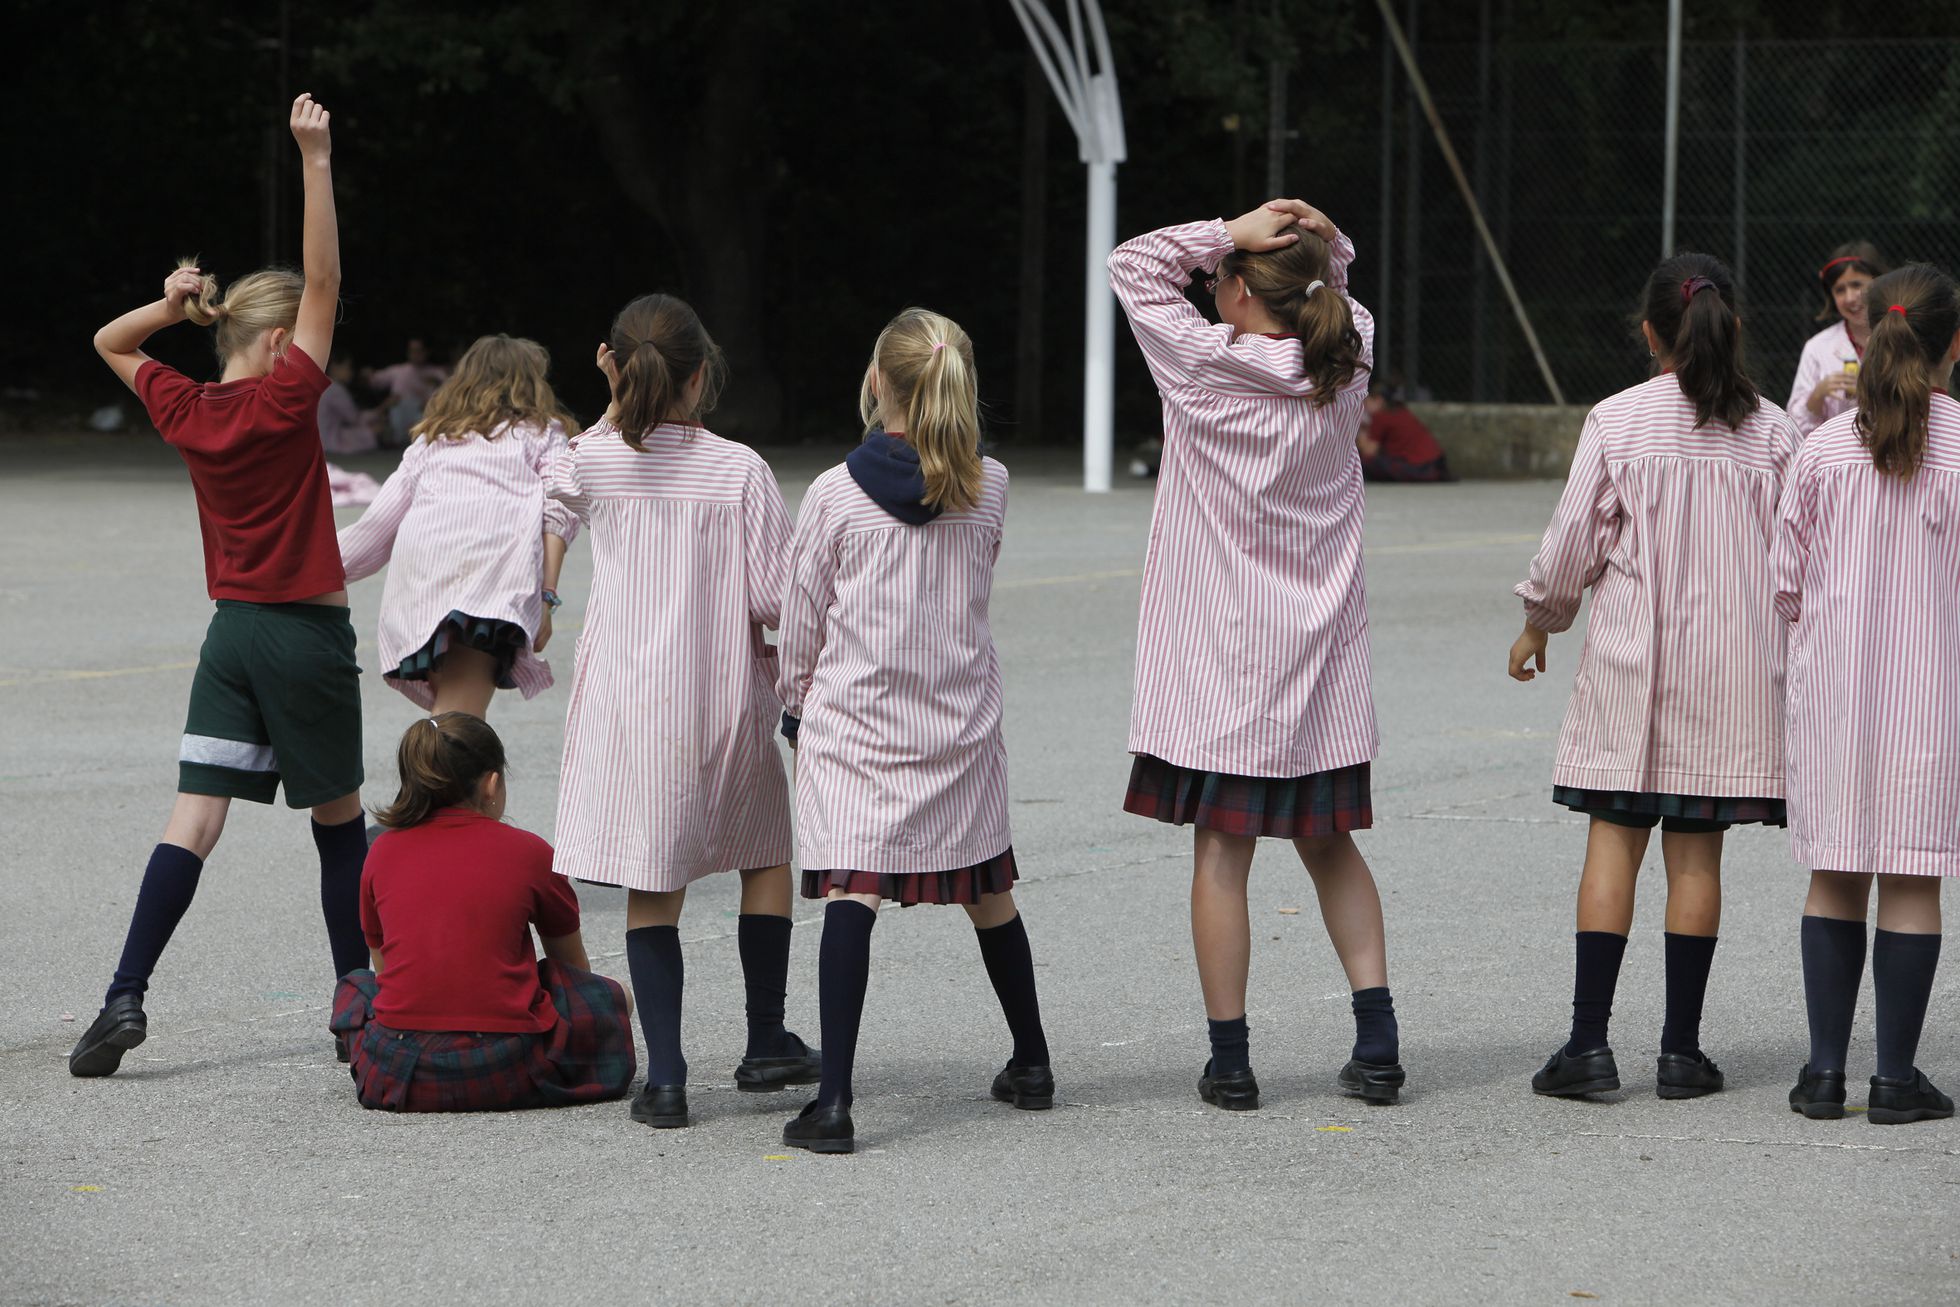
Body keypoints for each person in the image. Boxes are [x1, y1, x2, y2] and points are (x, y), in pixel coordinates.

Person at [67, 95, 369, 1077]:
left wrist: (169, 303)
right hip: (305, 638)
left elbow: (115, 342)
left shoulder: (189, 406)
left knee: (193, 818)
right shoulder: (286, 399)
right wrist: (314, 160)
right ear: (285, 341)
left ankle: (124, 994)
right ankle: (354, 1001)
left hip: (229, 637)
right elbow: (323, 276)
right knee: (338, 822)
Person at [1109, 198, 1405, 1112]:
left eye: (1220, 281)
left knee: (1221, 857)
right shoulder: (1344, 359)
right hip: (1317, 665)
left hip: (1220, 668)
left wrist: (1224, 230)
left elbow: (1131, 265)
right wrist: (1321, 236)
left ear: (1238, 289)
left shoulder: (1204, 365)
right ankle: (1378, 1040)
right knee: (1332, 846)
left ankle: (1231, 1059)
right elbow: (1341, 286)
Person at [1510, 253, 1799, 1102]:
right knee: (1697, 863)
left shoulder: (1617, 421)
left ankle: (1588, 1046)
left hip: (1634, 670)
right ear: (1733, 326)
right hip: (1734, 679)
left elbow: (1572, 547)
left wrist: (1539, 622)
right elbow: (1796, 562)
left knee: (1612, 846)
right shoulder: (1776, 433)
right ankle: (1681, 1051)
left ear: (1648, 334)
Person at [775, 309, 1054, 1156]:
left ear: (876, 381)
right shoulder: (990, 485)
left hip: (861, 725)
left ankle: (834, 1103)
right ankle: (1033, 1060)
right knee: (988, 892)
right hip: (958, 723)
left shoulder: (832, 494)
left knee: (850, 895)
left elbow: (803, 619)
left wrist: (796, 704)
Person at [547, 293, 817, 1130]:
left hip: (630, 698)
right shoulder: (738, 469)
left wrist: (609, 399)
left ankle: (665, 1077)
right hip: (721, 691)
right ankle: (766, 1033)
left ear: (618, 370)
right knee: (764, 850)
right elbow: (776, 595)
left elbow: (557, 479)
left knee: (651, 882)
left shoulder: (592, 459)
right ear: (702, 375)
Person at [1775, 265, 1960, 1126]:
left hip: (1835, 692)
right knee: (1913, 876)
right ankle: (1893, 1077)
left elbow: (1787, 583)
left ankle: (1820, 1073)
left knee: (1835, 872)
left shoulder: (1821, 450)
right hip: (1931, 693)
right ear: (1954, 346)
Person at [332, 714, 635, 1112]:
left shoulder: (381, 853)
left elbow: (386, 972)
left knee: (356, 987)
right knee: (616, 996)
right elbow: (574, 972)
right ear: (491, 783)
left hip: (398, 1071)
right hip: (511, 1065)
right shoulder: (530, 852)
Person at [336, 334, 579, 717]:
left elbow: (374, 529)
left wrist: (294, 571)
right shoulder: (543, 433)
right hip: (485, 582)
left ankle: (453, 775)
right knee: (457, 723)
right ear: (531, 383)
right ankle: (430, 778)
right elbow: (559, 509)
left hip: (421, 584)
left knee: (450, 715)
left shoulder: (431, 440)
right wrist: (546, 597)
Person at [1787, 241, 1890, 442]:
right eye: (1839, 290)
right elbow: (1794, 428)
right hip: (1835, 460)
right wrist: (1818, 395)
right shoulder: (1817, 348)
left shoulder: (1901, 337)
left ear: (1877, 283)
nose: (1850, 297)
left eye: (1857, 285)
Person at [1359, 378, 1451, 482]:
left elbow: (1369, 452)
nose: (1364, 406)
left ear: (1379, 400)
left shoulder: (1381, 417)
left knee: (1365, 462)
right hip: (1435, 463)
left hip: (1419, 466)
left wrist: (1362, 427)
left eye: (1367, 401)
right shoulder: (1402, 411)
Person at [367, 338, 448, 446]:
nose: (415, 354)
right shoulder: (399, 371)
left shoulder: (437, 373)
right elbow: (373, 380)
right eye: (412, 351)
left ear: (426, 352)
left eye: (418, 351)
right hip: (399, 419)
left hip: (423, 420)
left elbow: (450, 388)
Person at [318, 352, 377, 455]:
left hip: (315, 439)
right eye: (348, 367)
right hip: (328, 441)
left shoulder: (320, 384)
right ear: (335, 367)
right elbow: (353, 418)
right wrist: (376, 415)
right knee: (370, 432)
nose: (351, 372)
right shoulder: (335, 389)